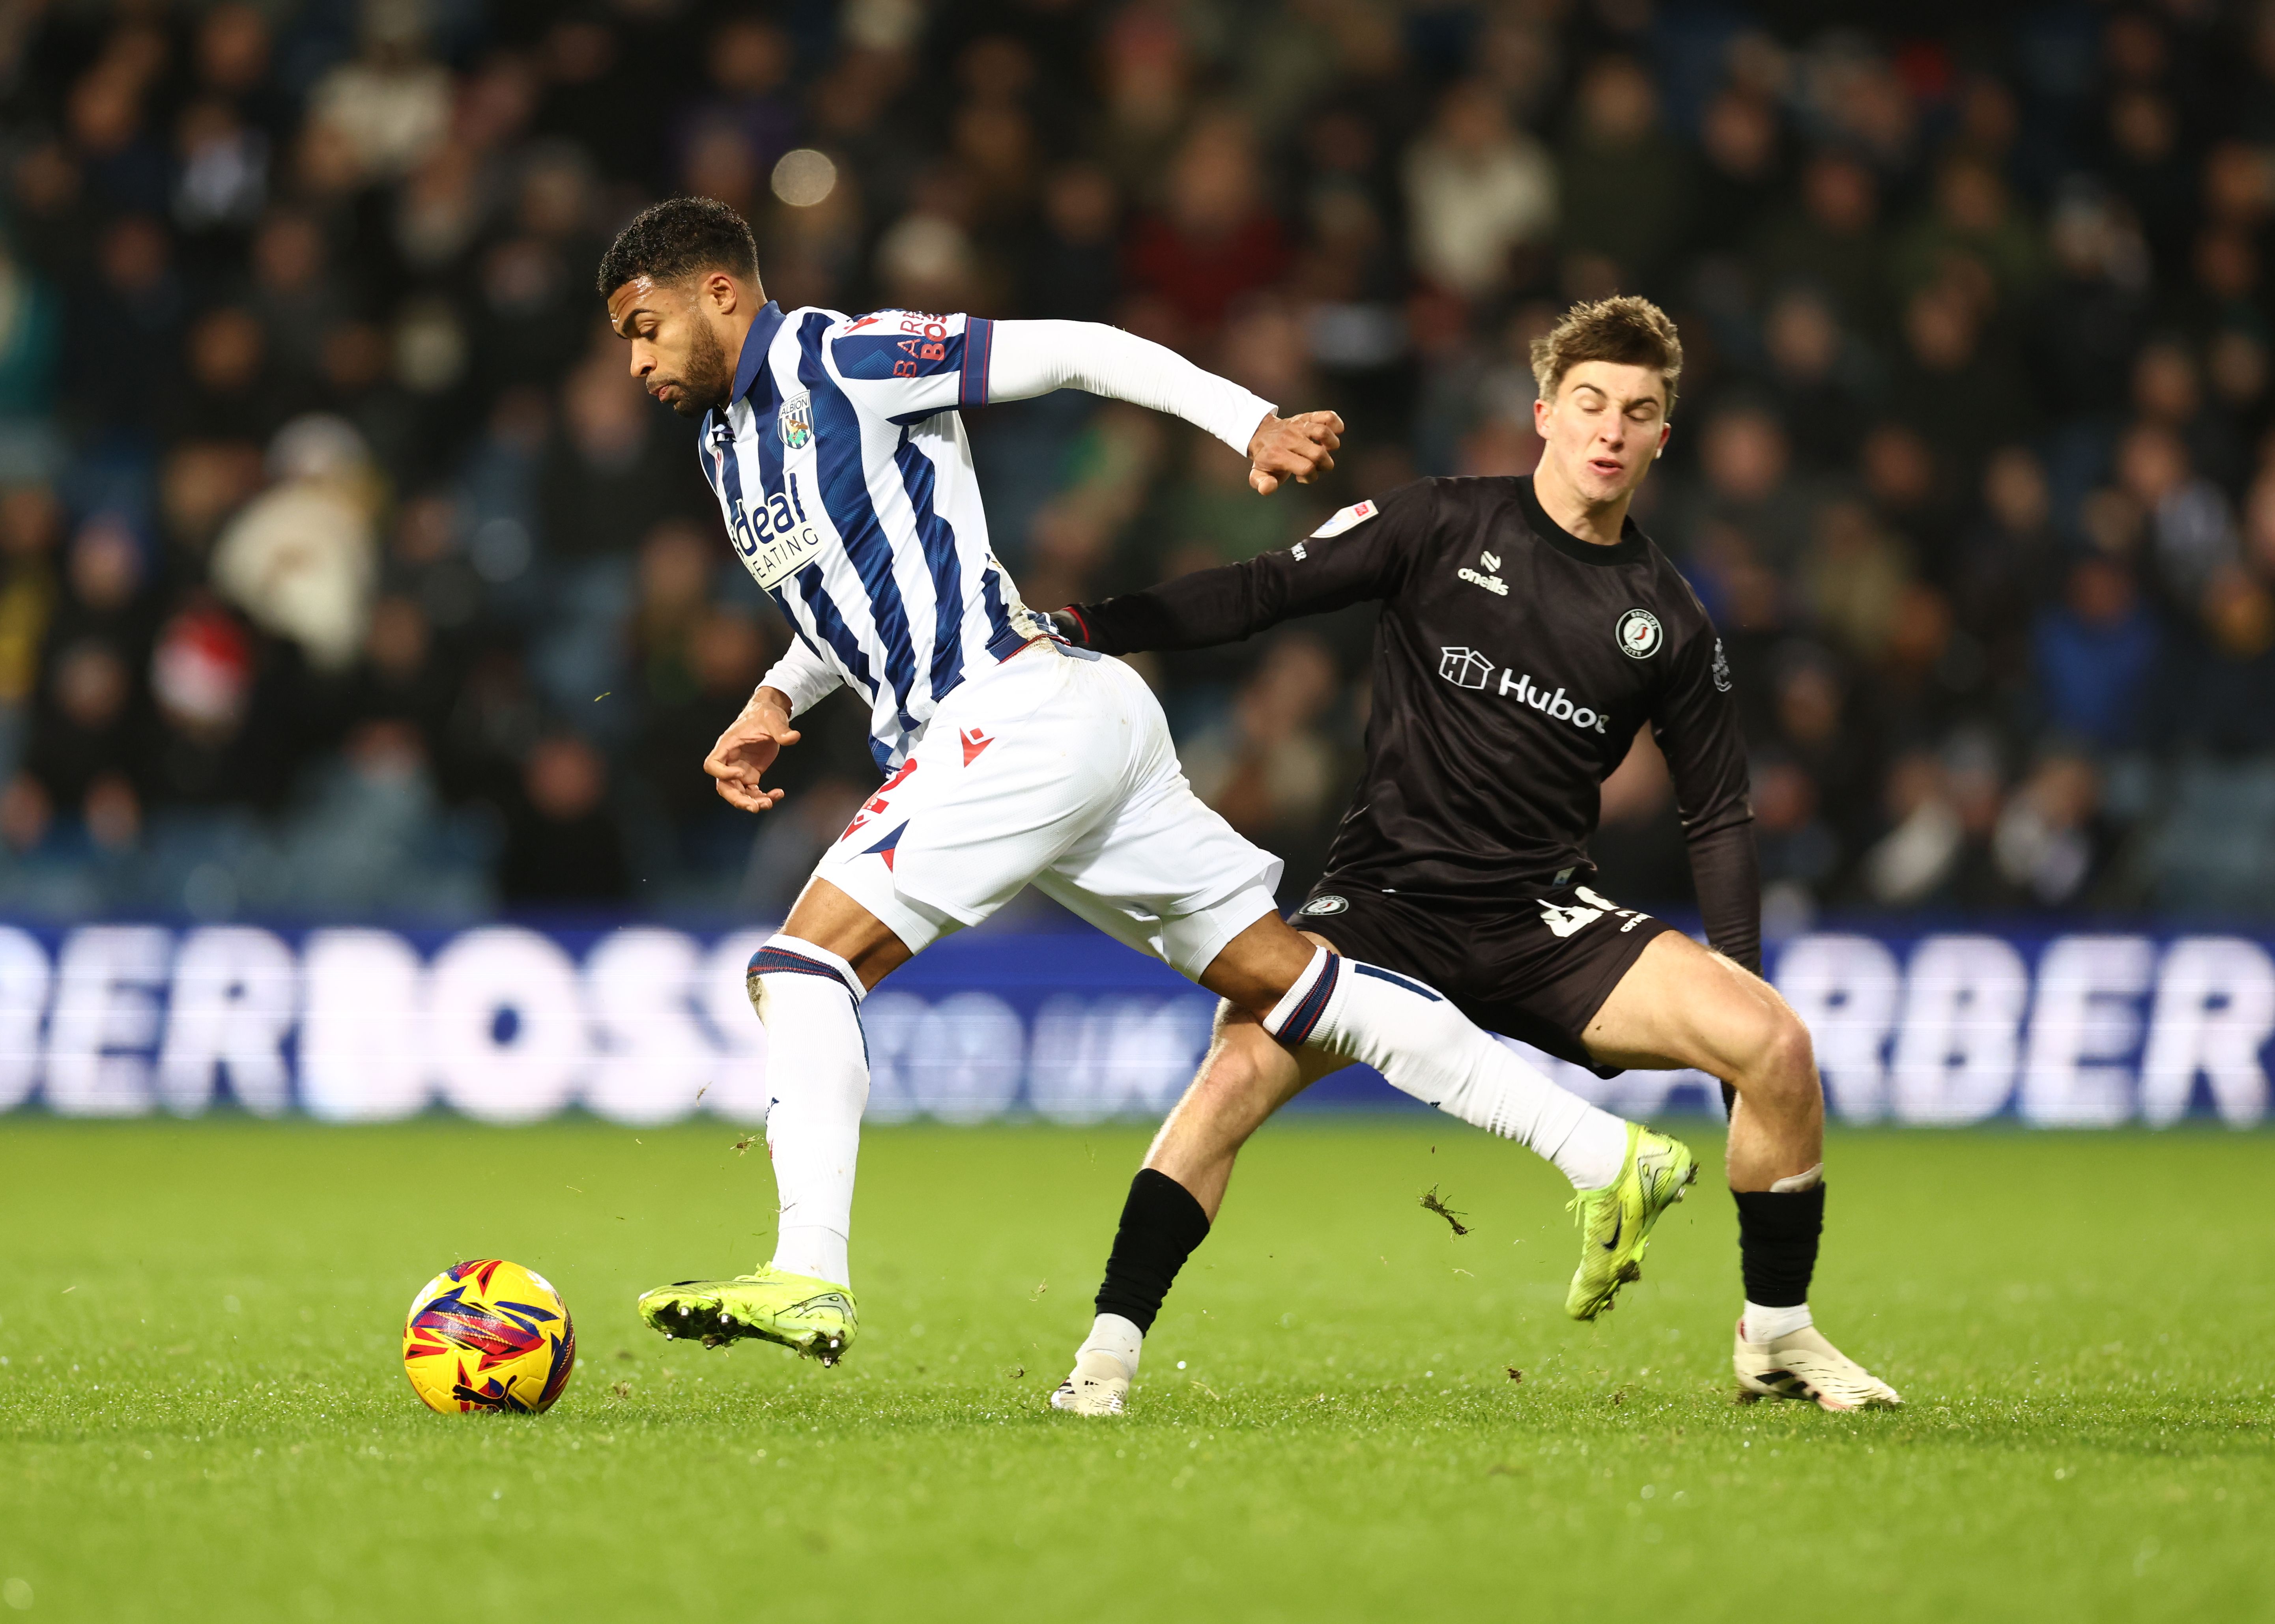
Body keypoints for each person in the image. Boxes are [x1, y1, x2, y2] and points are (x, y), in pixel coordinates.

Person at [596, 200, 1694, 1366]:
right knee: (1290, 981)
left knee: (802, 966)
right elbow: (845, 596)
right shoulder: (726, 445)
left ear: (720, 293)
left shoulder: (844, 356)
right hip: (1069, 723)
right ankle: (1606, 1156)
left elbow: (1082, 349)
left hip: (1011, 712)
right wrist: (777, 699)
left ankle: (809, 1270)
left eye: (646, 327)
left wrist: (1250, 421)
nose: (637, 361)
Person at [1045, 295, 1900, 1415]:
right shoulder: (1437, 525)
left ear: (1660, 439)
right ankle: (1106, 1357)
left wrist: (1737, 964)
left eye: (1636, 412)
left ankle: (1776, 1338)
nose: (1610, 428)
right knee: (1230, 1082)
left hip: (1542, 926)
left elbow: (1719, 814)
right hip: (1382, 907)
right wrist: (1088, 625)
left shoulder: (1666, 618)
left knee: (1776, 1046)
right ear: (1545, 416)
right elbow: (1263, 592)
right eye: (1590, 403)